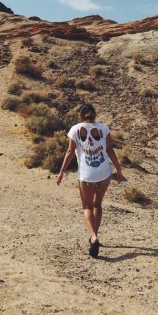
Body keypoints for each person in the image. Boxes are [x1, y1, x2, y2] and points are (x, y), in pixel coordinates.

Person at [56, 102, 124, 257]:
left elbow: (70, 151)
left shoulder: (75, 129)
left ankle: (93, 237)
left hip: (87, 175)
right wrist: (119, 170)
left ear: (80, 115)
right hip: (104, 172)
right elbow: (109, 150)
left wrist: (62, 172)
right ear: (94, 114)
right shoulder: (103, 128)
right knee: (97, 205)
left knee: (87, 206)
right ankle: (95, 235)